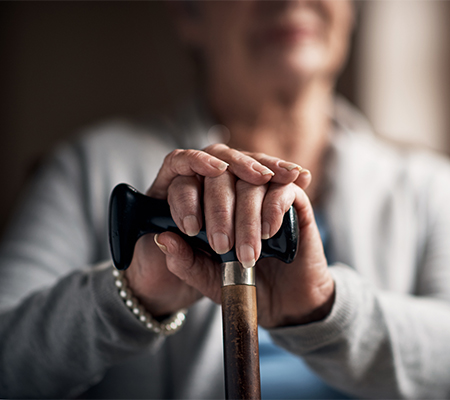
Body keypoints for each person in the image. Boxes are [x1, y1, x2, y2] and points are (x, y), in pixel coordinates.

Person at [1, 0, 450, 398]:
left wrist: (324, 310)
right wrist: (130, 297)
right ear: (187, 13)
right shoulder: (88, 169)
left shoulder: (429, 187)